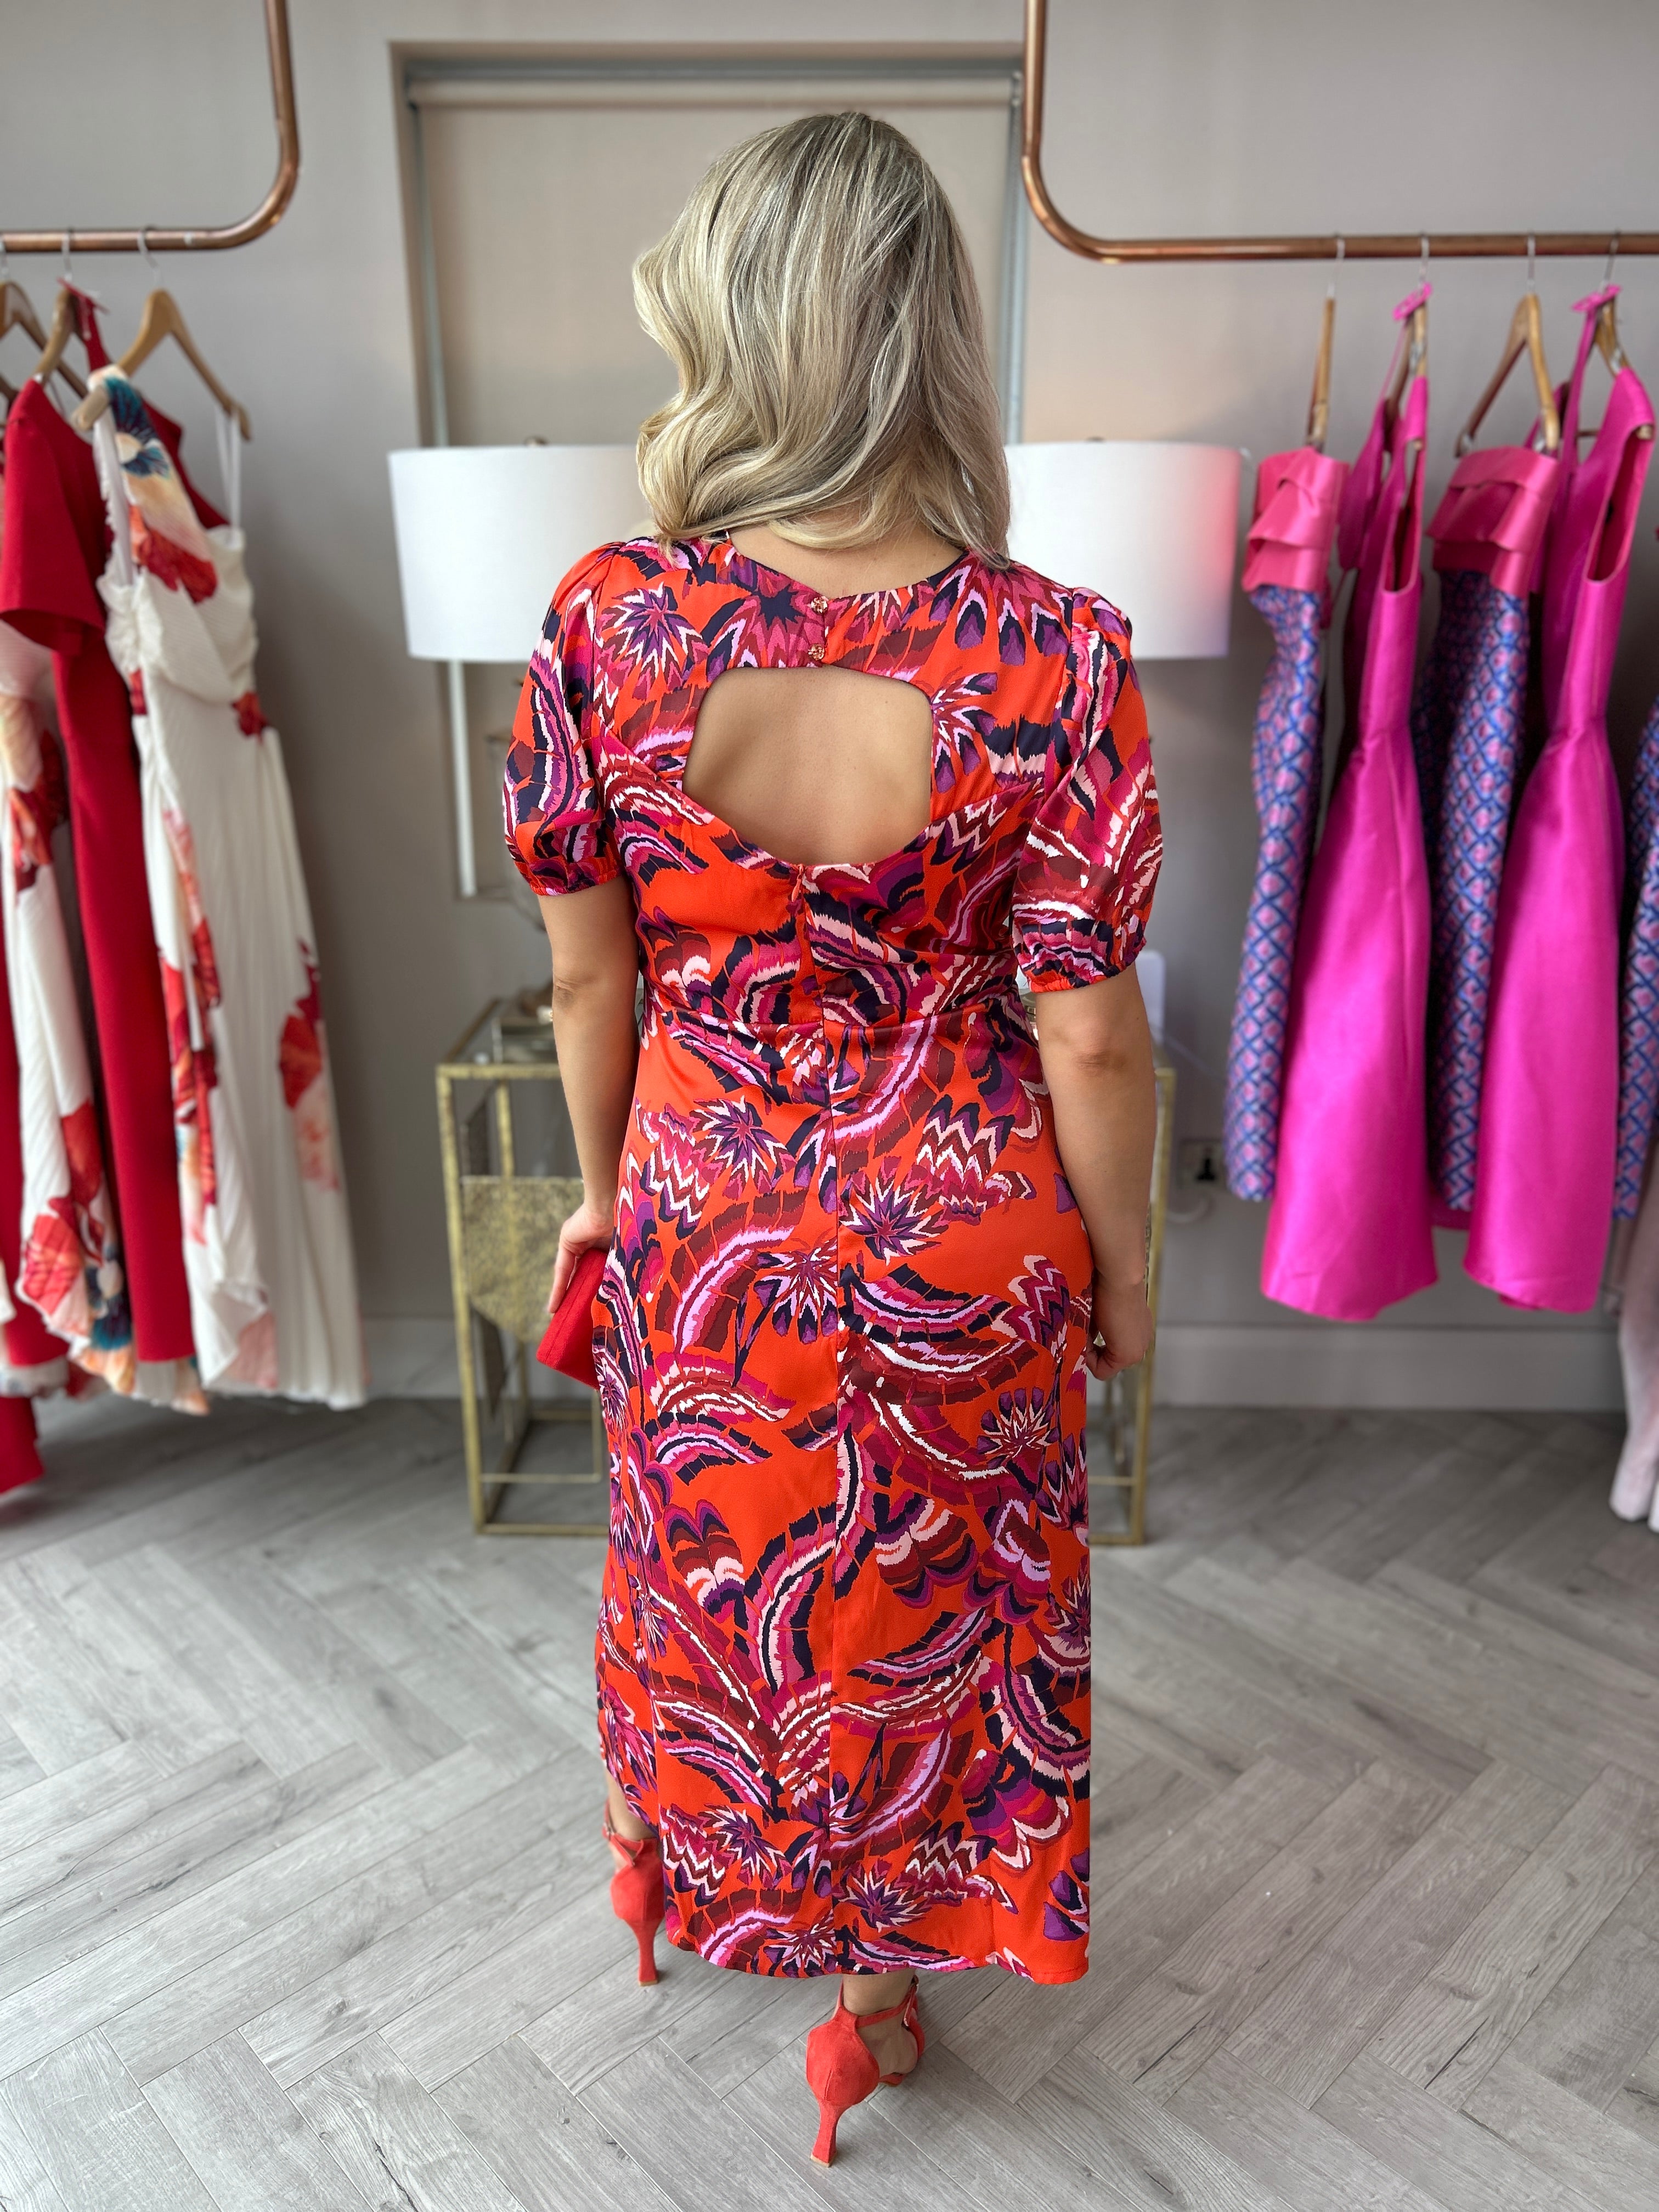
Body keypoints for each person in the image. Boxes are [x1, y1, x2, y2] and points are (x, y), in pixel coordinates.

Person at [503, 110, 1159, 2164]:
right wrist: (1130, 1276)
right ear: (927, 336)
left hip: (711, 1235)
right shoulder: (1058, 653)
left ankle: (706, 1886)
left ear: (733, 333)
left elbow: (590, 990)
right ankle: (884, 1985)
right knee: (934, 1610)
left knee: (723, 1581)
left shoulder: (609, 624)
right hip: (966, 1232)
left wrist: (604, 1203)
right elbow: (1095, 1038)